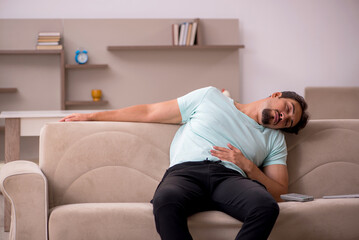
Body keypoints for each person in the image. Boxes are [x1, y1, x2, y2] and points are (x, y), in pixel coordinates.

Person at [60, 86, 309, 240]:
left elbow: (279, 192)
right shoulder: (209, 97)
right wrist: (91, 115)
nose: (283, 117)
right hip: (186, 172)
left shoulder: (274, 139)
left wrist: (249, 167)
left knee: (265, 207)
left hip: (231, 179)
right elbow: (149, 112)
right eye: (287, 108)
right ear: (276, 95)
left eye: (288, 121)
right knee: (165, 201)